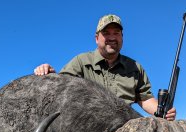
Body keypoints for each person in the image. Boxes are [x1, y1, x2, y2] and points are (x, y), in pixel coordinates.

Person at [34, 14, 176, 120]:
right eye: (106, 33)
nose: (112, 38)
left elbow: (144, 98)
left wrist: (162, 111)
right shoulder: (81, 61)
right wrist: (49, 72)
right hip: (89, 126)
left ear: (122, 37)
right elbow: (61, 86)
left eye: (116, 33)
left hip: (126, 129)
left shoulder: (135, 67)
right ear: (97, 38)